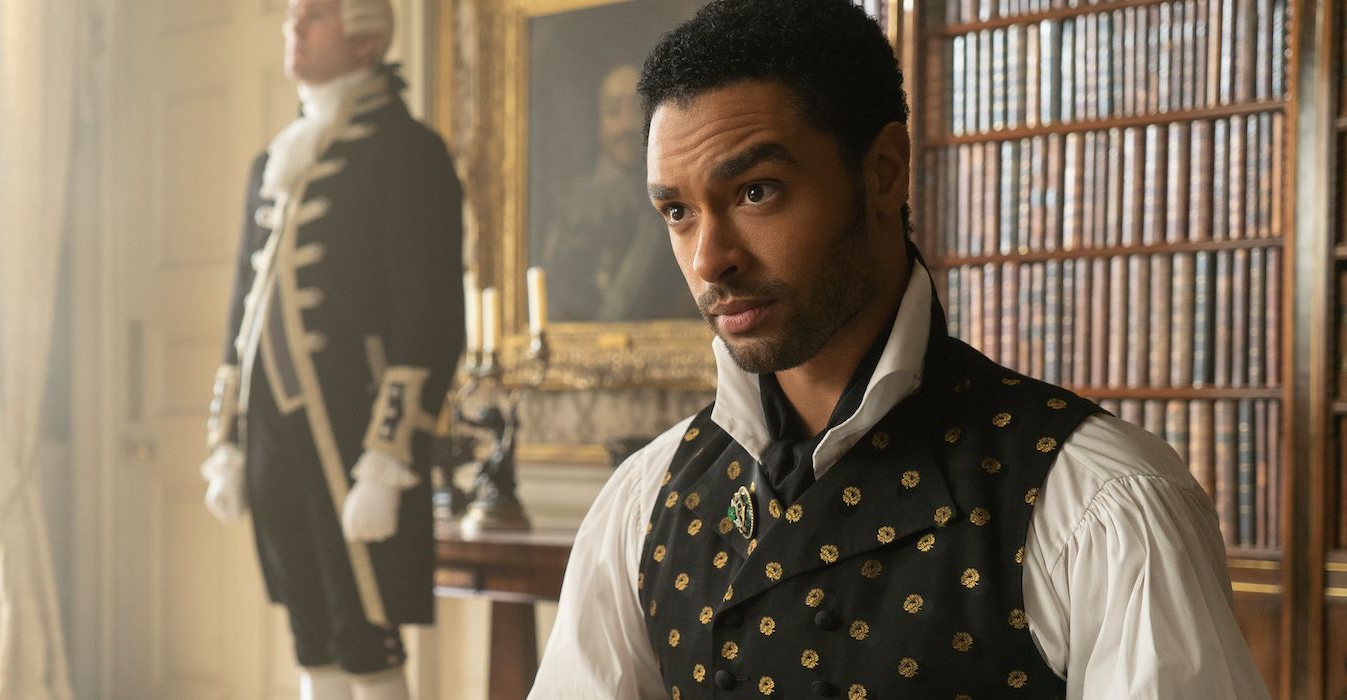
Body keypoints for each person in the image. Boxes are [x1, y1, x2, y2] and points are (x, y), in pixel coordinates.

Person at [530, 0, 1269, 697]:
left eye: (756, 192)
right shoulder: (641, 504)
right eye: (679, 211)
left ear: (883, 171)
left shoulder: (1103, 503)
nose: (708, 258)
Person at [198, 1, 463, 698]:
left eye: (314, 16)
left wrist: (388, 453)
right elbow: (242, 309)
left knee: (366, 629)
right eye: (293, 16)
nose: (294, 28)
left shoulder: (407, 151)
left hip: (354, 429)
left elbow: (429, 313)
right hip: (272, 431)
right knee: (309, 626)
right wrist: (225, 439)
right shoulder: (273, 160)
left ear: (366, 41)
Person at [538, 64, 696, 322]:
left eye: (636, 110)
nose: (626, 126)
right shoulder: (571, 204)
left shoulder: (683, 198)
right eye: (613, 112)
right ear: (598, 123)